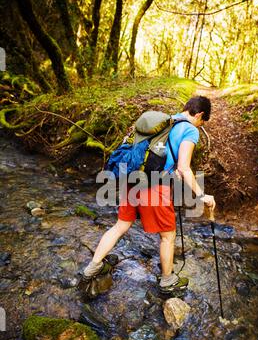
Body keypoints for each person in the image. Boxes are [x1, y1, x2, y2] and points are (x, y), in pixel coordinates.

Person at [83, 96, 216, 291]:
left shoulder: (164, 122)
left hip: (133, 179)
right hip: (155, 187)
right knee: (168, 236)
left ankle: (92, 267)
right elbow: (184, 167)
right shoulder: (189, 130)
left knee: (120, 226)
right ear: (200, 115)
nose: (200, 124)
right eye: (202, 122)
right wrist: (201, 195)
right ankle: (167, 280)